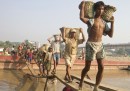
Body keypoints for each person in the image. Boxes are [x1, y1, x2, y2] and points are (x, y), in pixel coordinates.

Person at [79, 1, 114, 91]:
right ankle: (81, 81)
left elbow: (110, 35)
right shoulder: (91, 21)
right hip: (90, 44)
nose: (101, 10)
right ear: (95, 9)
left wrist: (113, 23)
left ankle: (96, 86)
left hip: (100, 45)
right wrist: (83, 6)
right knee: (87, 67)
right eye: (99, 8)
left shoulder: (103, 22)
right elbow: (82, 17)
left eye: (102, 9)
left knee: (101, 67)